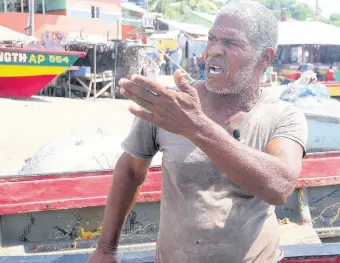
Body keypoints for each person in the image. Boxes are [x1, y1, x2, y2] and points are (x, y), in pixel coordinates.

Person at [86, 1, 308, 263]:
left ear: (265, 58)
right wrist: (106, 249)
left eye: (230, 43)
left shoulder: (282, 116)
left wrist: (196, 127)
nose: (214, 50)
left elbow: (279, 187)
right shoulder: (171, 104)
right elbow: (131, 169)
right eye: (211, 39)